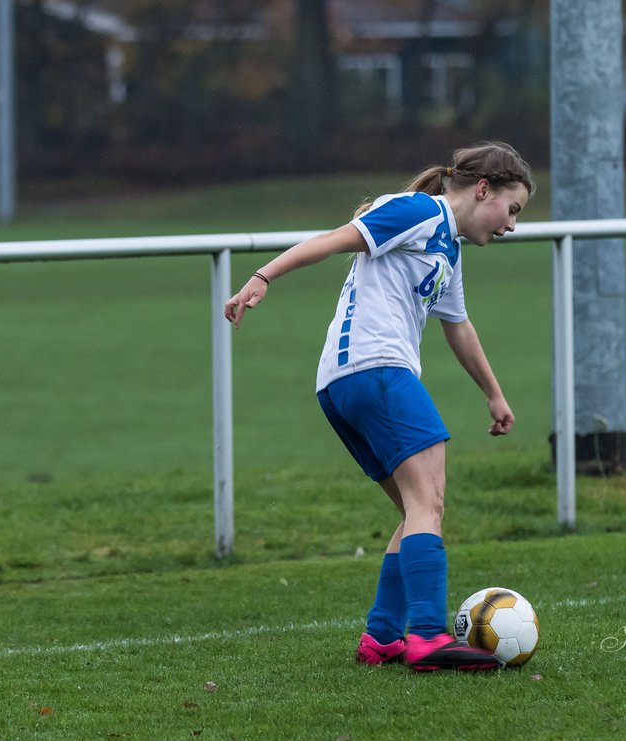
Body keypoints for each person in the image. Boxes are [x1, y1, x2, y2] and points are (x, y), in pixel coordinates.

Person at [224, 142, 532, 671]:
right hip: (376, 369)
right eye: (513, 209)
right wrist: (263, 276)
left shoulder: (446, 247)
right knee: (428, 504)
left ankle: (384, 637)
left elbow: (457, 326)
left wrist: (494, 393)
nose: (511, 225)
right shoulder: (418, 211)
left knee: (418, 510)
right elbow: (333, 240)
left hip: (345, 383)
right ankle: (430, 637)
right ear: (484, 189)